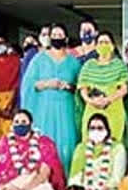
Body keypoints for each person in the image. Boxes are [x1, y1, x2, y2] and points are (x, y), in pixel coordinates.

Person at [21, 23, 82, 175]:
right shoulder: (39, 59)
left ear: (66, 38)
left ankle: (65, 181)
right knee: (44, 144)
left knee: (66, 145)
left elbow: (80, 87)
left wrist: (68, 86)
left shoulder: (74, 62)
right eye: (53, 36)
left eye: (60, 36)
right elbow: (29, 84)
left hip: (66, 108)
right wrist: (47, 83)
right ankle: (43, 181)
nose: (56, 38)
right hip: (44, 109)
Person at [77, 31, 128, 151]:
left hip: (114, 108)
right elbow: (82, 88)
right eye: (100, 42)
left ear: (113, 46)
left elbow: (124, 89)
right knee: (89, 143)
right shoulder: (88, 65)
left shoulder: (119, 65)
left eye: (106, 42)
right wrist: (92, 101)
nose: (103, 45)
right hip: (92, 108)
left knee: (113, 144)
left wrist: (107, 100)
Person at [69, 113, 127, 190]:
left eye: (100, 128)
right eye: (92, 128)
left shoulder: (117, 148)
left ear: (108, 130)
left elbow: (116, 178)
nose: (96, 131)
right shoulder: (81, 148)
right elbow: (75, 177)